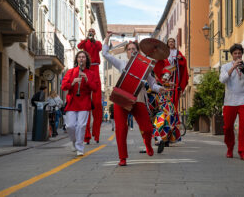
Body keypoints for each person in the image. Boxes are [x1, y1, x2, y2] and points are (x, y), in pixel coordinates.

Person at [102, 32, 165, 166]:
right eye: (129, 49)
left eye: (134, 49)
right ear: (127, 53)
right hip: (122, 98)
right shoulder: (121, 63)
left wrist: (160, 88)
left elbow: (152, 84)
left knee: (147, 128)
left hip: (139, 99)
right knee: (121, 129)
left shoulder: (146, 66)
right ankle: (122, 158)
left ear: (138, 52)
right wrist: (107, 38)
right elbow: (106, 54)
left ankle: (148, 144)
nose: (131, 51)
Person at [219, 43, 244, 161]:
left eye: (239, 53)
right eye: (235, 53)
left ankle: (243, 151)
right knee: (228, 127)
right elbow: (222, 80)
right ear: (232, 55)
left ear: (242, 54)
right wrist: (233, 67)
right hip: (230, 101)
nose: (237, 55)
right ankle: (230, 148)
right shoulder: (225, 67)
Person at [61, 51, 98, 156]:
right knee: (70, 126)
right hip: (72, 101)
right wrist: (73, 82)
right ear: (77, 59)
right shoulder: (71, 72)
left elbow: (95, 88)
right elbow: (63, 86)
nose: (81, 59)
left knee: (81, 125)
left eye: (83, 57)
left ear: (86, 60)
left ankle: (80, 148)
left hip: (84, 102)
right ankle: (74, 141)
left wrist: (86, 80)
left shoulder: (91, 73)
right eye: (79, 57)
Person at [78, 28, 103, 144]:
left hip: (96, 70)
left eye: (93, 32)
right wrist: (86, 39)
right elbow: (79, 46)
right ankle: (86, 135)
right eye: (90, 31)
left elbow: (100, 47)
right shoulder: (85, 41)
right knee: (86, 104)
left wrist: (93, 39)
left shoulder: (96, 42)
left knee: (97, 104)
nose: (91, 33)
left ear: (95, 33)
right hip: (87, 69)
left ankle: (96, 134)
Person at [153, 38, 189, 109]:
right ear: (167, 43)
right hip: (167, 73)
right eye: (169, 42)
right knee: (165, 89)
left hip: (175, 74)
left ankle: (173, 109)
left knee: (175, 94)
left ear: (174, 43)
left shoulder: (177, 52)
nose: (171, 43)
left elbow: (183, 61)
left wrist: (181, 58)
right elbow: (160, 61)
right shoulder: (165, 52)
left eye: (172, 42)